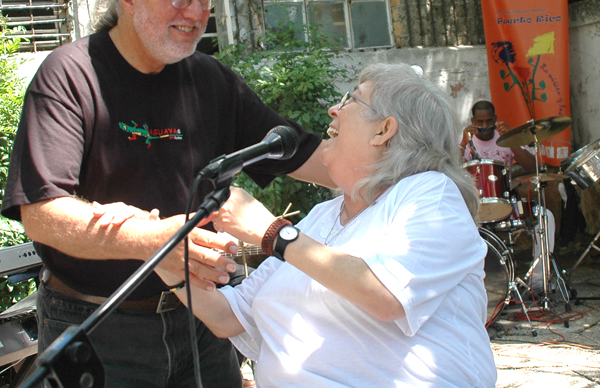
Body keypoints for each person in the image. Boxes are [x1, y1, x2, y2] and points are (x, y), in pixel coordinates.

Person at [1, 0, 333, 388]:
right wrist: (153, 238)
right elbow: (40, 214)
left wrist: (402, 159)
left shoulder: (210, 81)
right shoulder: (72, 76)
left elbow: (312, 157)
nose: (196, 13)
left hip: (202, 319)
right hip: (99, 323)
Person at [155, 63, 498, 387]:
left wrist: (271, 232)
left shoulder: (430, 193)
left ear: (384, 130)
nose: (334, 109)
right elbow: (228, 317)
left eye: (351, 98)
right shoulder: (324, 216)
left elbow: (386, 295)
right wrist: (156, 247)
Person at [460, 100, 555, 294]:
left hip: (507, 202)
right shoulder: (467, 144)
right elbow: (451, 169)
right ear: (472, 121)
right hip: (477, 207)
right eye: (480, 122)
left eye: (489, 121)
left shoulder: (507, 139)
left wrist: (513, 141)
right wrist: (462, 144)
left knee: (545, 217)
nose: (485, 126)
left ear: (495, 119)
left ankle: (538, 281)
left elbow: (532, 167)